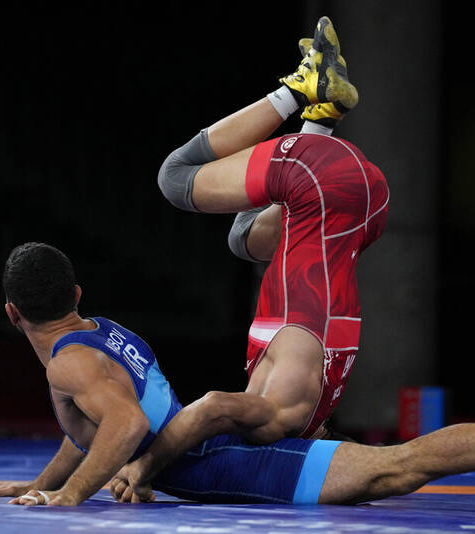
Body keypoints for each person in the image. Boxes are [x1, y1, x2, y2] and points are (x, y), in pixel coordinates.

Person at [0, 242, 475, 513]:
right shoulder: (101, 332)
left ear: (11, 313)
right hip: (217, 448)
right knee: (396, 467)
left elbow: (124, 422)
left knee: (397, 467)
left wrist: (70, 497)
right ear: (77, 294)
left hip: (228, 462)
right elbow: (94, 426)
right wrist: (41, 482)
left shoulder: (67, 361)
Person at [156, 16, 388, 442]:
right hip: (321, 176)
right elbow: (214, 407)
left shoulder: (317, 395)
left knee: (243, 239)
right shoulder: (283, 411)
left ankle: (324, 116)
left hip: (368, 205)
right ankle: (299, 89)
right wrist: (147, 466)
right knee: (175, 177)